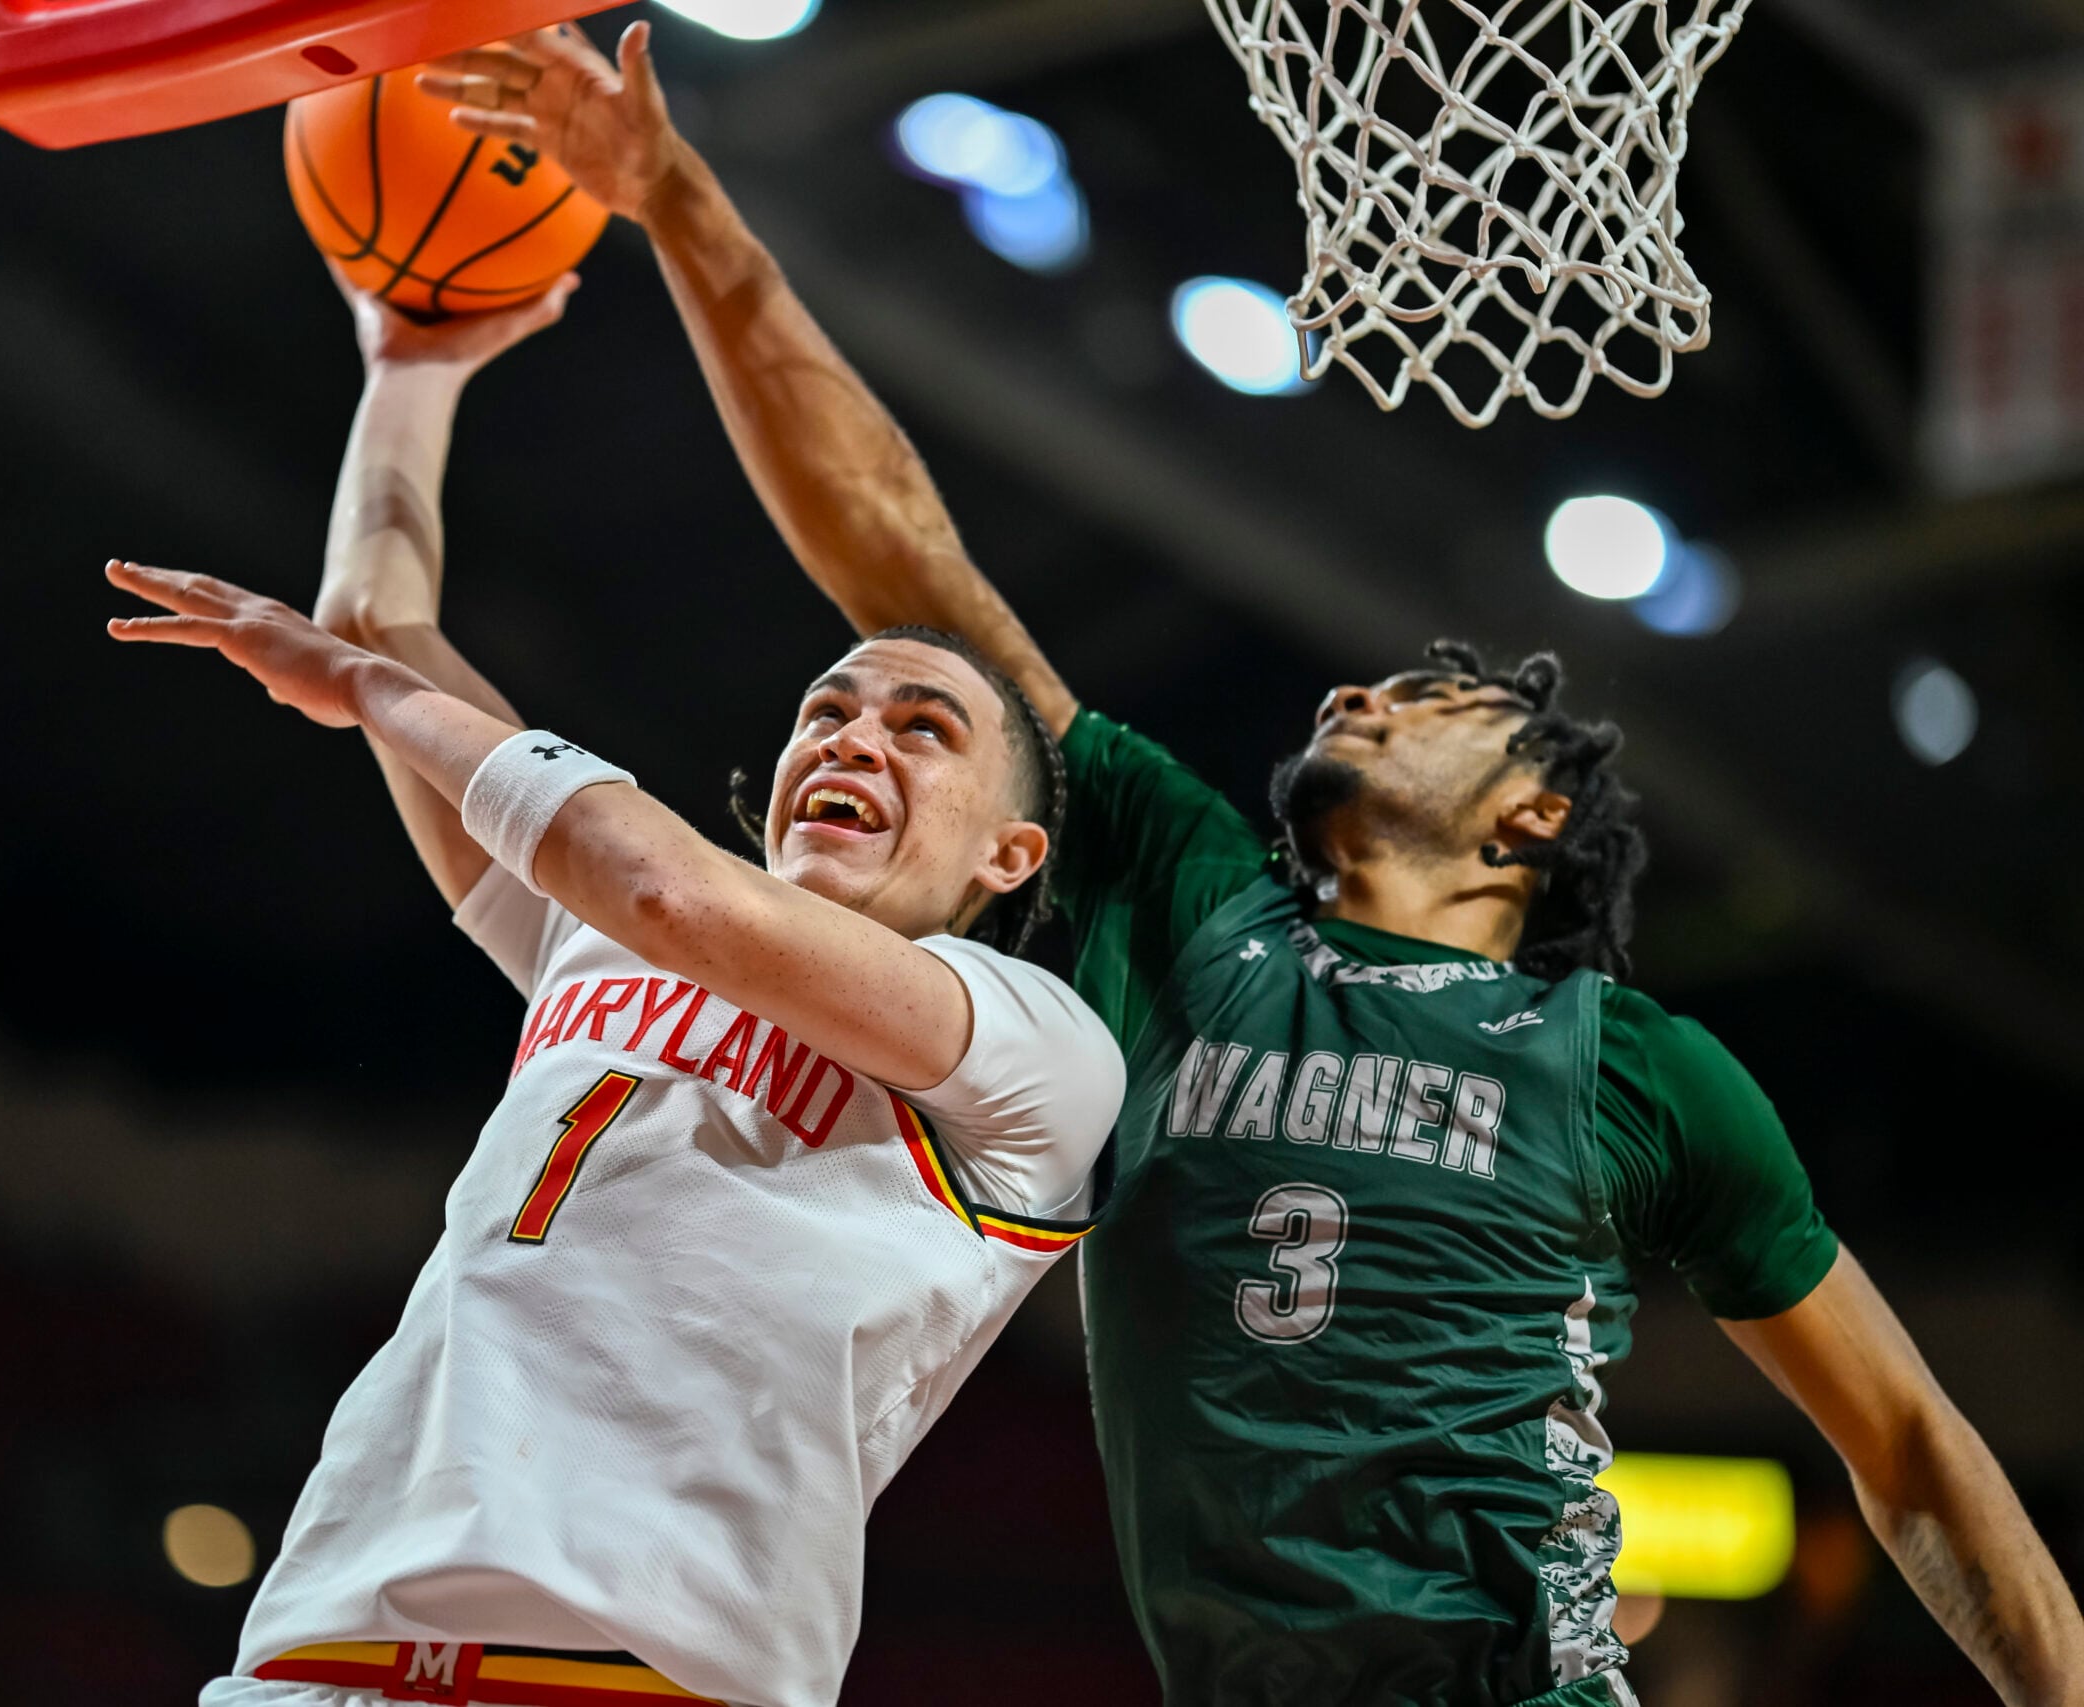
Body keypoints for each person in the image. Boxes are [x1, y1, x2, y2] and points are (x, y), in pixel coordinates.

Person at [418, 25, 2084, 1707]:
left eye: (1434, 700)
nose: (1359, 688)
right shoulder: (1194, 904)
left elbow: (1915, 1451)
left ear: (1532, 823)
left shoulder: (1641, 1072)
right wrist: (684, 207)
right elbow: (903, 555)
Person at [108, 268, 1125, 1707]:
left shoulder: (1033, 1048)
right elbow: (375, 629)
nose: (853, 738)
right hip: (323, 1647)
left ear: (1011, 852)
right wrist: (410, 370)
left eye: (922, 727)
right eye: (825, 711)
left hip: (636, 1673)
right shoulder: (599, 933)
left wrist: (368, 693)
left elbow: (660, 880)